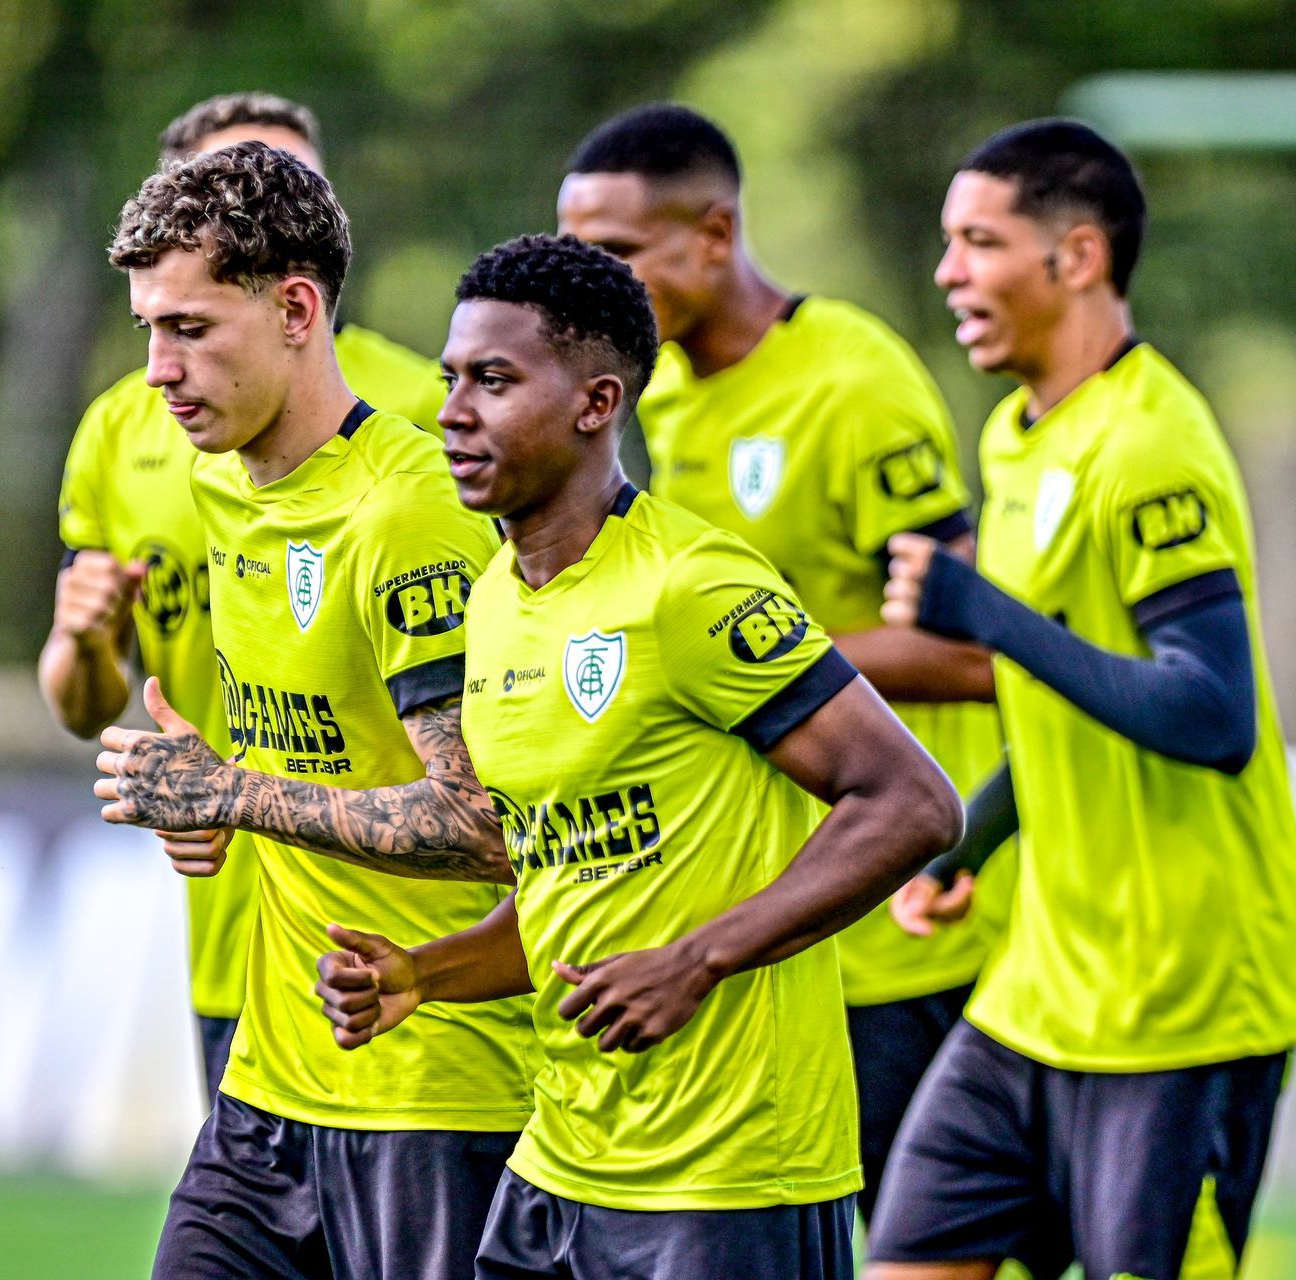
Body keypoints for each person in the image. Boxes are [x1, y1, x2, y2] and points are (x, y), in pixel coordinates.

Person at [308, 232, 963, 1280]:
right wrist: (425, 974)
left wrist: (700, 958)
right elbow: (576, 884)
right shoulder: (492, 601)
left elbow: (914, 803)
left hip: (730, 1181)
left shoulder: (692, 587)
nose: (452, 412)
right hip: (561, 1165)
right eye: (448, 380)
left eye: (493, 380)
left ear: (596, 402)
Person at [864, 120, 1296, 1280]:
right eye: (946, 243)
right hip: (1040, 984)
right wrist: (976, 835)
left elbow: (1212, 715)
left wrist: (986, 615)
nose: (948, 272)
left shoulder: (1152, 447)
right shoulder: (1019, 435)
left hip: (1184, 1002)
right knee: (909, 1259)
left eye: (978, 242)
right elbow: (1067, 692)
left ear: (1076, 258)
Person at [557, 102, 1011, 1218]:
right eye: (574, 253)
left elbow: (974, 651)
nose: (589, 281)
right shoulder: (642, 390)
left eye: (616, 252)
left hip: (894, 932)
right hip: (757, 929)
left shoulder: (851, 380)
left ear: (714, 235)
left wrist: (758, 670)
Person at [95, 141, 533, 1280]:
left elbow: (486, 821)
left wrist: (237, 791)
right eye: (149, 327)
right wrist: (209, 799)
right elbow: (312, 745)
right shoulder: (220, 478)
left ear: (296, 308)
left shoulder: (410, 510)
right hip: (268, 1083)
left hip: (437, 1091)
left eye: (189, 328)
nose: (157, 368)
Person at [40, 91, 445, 1102]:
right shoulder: (143, 436)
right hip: (235, 927)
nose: (162, 369)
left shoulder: (430, 420)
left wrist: (237, 792)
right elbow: (86, 699)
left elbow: (489, 787)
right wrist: (88, 645)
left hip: (414, 947)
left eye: (296, 183)